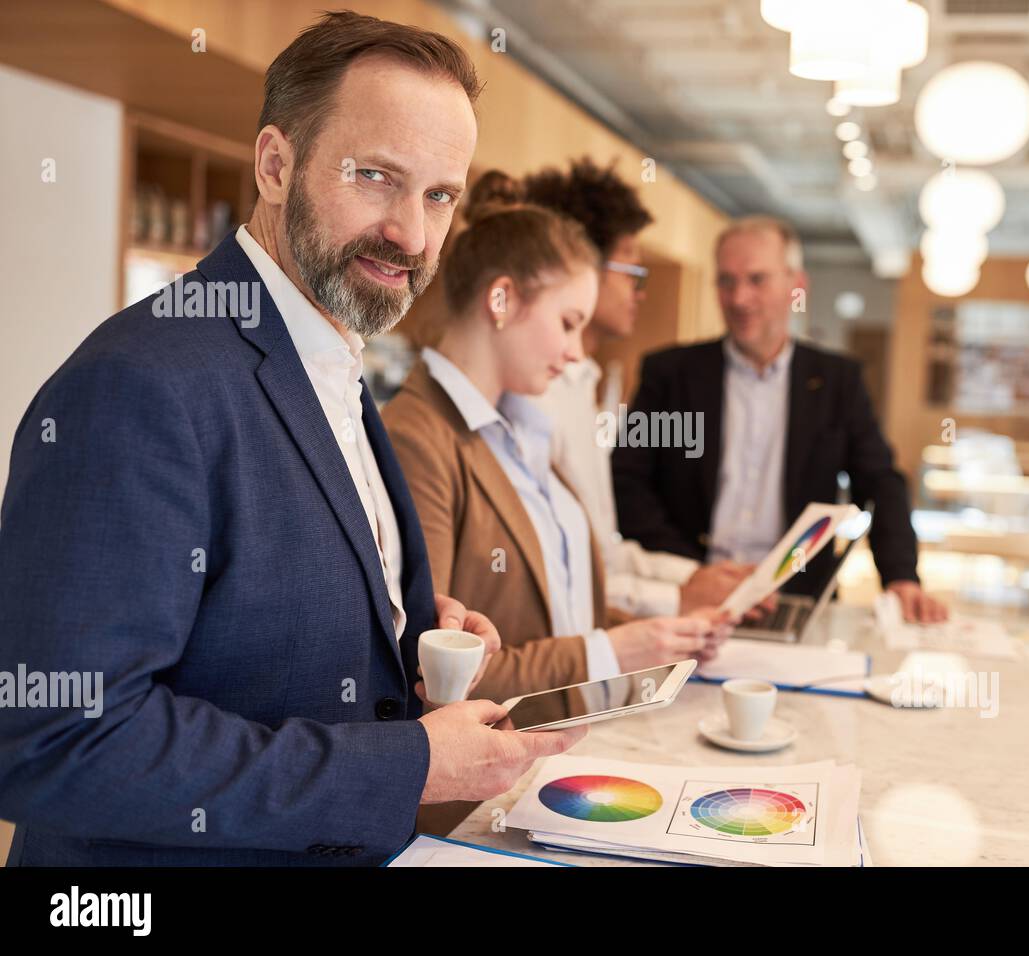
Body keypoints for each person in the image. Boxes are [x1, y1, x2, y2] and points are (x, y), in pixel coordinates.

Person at [0, 12, 583, 867]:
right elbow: (55, 739)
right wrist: (411, 763)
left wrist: (394, 622)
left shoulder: (331, 361)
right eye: (375, 177)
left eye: (438, 195)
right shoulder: (138, 383)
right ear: (276, 164)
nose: (412, 236)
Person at [383, 172, 728, 720]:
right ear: (501, 299)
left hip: (565, 746)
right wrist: (613, 649)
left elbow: (559, 615)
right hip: (489, 781)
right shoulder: (419, 436)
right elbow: (436, 671)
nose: (574, 353)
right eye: (567, 324)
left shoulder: (520, 429)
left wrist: (657, 636)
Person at [613, 216, 948, 623]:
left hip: (795, 600)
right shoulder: (671, 376)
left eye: (757, 280)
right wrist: (694, 574)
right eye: (726, 281)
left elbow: (879, 481)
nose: (739, 298)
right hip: (685, 595)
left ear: (797, 286)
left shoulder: (837, 382)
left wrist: (901, 576)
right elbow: (629, 483)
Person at [523, 157, 753, 618]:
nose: (641, 292)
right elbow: (553, 574)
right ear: (583, 266)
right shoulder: (537, 392)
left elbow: (602, 553)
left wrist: (695, 578)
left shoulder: (581, 380)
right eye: (634, 272)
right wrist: (679, 596)